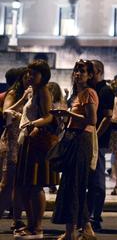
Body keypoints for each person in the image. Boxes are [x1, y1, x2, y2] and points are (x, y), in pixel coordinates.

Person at [52, 59, 98, 240]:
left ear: (90, 75)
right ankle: (84, 229)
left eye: (83, 71)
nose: (78, 74)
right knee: (71, 184)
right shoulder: (76, 94)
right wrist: (64, 117)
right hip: (73, 137)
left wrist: (67, 113)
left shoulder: (89, 93)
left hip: (81, 139)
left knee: (74, 185)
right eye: (76, 71)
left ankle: (72, 232)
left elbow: (92, 120)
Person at [14, 59, 58, 240]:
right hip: (27, 140)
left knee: (35, 184)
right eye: (29, 72)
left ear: (43, 75)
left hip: (36, 142)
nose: (30, 76)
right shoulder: (33, 92)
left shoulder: (44, 91)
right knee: (25, 185)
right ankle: (31, 224)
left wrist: (33, 124)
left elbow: (49, 116)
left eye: (34, 73)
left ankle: (37, 227)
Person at [87, 59, 114, 232]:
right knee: (89, 180)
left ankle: (94, 216)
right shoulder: (87, 89)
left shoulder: (105, 90)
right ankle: (90, 214)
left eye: (91, 70)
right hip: (87, 139)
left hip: (98, 142)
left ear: (98, 72)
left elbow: (108, 116)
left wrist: (95, 135)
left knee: (97, 180)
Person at [0, 67, 28, 232]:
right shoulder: (13, 94)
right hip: (11, 142)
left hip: (22, 142)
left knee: (19, 185)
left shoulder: (34, 94)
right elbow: (6, 113)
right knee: (7, 184)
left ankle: (17, 220)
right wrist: (23, 98)